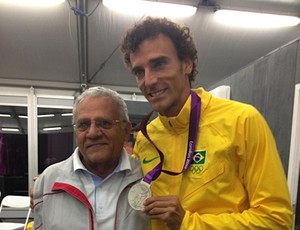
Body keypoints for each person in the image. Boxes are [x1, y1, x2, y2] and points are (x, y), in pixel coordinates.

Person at [120, 17, 293, 230]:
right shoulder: (146, 139)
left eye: (159, 64)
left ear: (187, 64)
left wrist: (189, 223)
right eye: (139, 72)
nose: (149, 80)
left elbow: (277, 221)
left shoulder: (242, 121)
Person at [32, 86, 150, 229]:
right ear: (76, 132)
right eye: (83, 125)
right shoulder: (48, 181)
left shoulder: (147, 176)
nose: (93, 133)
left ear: (125, 131)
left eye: (104, 123)